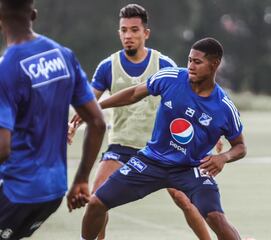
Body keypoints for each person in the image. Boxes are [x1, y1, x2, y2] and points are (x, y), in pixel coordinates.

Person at [67, 4, 212, 240]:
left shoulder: (163, 64)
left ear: (146, 33)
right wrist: (73, 125)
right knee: (97, 200)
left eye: (134, 30)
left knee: (184, 199)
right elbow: (88, 105)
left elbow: (190, 103)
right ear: (119, 33)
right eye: (124, 30)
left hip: (161, 149)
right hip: (120, 146)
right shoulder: (107, 66)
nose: (128, 35)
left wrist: (207, 134)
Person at [81, 37, 247, 240]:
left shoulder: (224, 107)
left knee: (215, 218)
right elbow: (134, 93)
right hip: (151, 162)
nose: (191, 66)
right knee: (96, 203)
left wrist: (224, 158)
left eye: (197, 62)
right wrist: (95, 108)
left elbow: (240, 146)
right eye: (189, 60)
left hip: (191, 168)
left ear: (214, 64)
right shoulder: (172, 78)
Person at [0, 0, 106, 239]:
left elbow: (2, 148)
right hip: (54, 190)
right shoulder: (64, 55)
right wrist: (81, 179)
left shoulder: (6, 69)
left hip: (17, 191)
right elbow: (98, 122)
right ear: (33, 15)